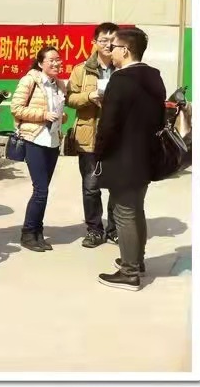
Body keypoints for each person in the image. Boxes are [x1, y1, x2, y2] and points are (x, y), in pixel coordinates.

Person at [95, 28, 165, 291]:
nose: (109, 51)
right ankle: (137, 261)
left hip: (123, 157)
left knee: (124, 213)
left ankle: (129, 273)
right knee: (136, 210)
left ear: (124, 50)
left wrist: (99, 153)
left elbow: (109, 125)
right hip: (146, 155)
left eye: (113, 47)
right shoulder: (154, 76)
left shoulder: (121, 79)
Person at [67, 22, 120, 248]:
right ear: (94, 43)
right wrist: (88, 97)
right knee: (91, 187)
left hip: (118, 138)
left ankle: (114, 229)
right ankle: (94, 230)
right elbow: (70, 98)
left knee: (118, 186)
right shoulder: (81, 69)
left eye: (113, 41)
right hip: (89, 135)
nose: (108, 45)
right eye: (104, 40)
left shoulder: (124, 68)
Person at [10, 46, 68, 252]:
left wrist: (61, 117)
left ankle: (37, 232)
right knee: (41, 190)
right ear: (41, 63)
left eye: (58, 60)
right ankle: (28, 233)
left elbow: (59, 111)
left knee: (43, 190)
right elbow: (16, 108)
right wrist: (43, 115)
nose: (56, 63)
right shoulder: (30, 80)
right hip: (34, 139)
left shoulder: (59, 84)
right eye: (51, 60)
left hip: (52, 141)